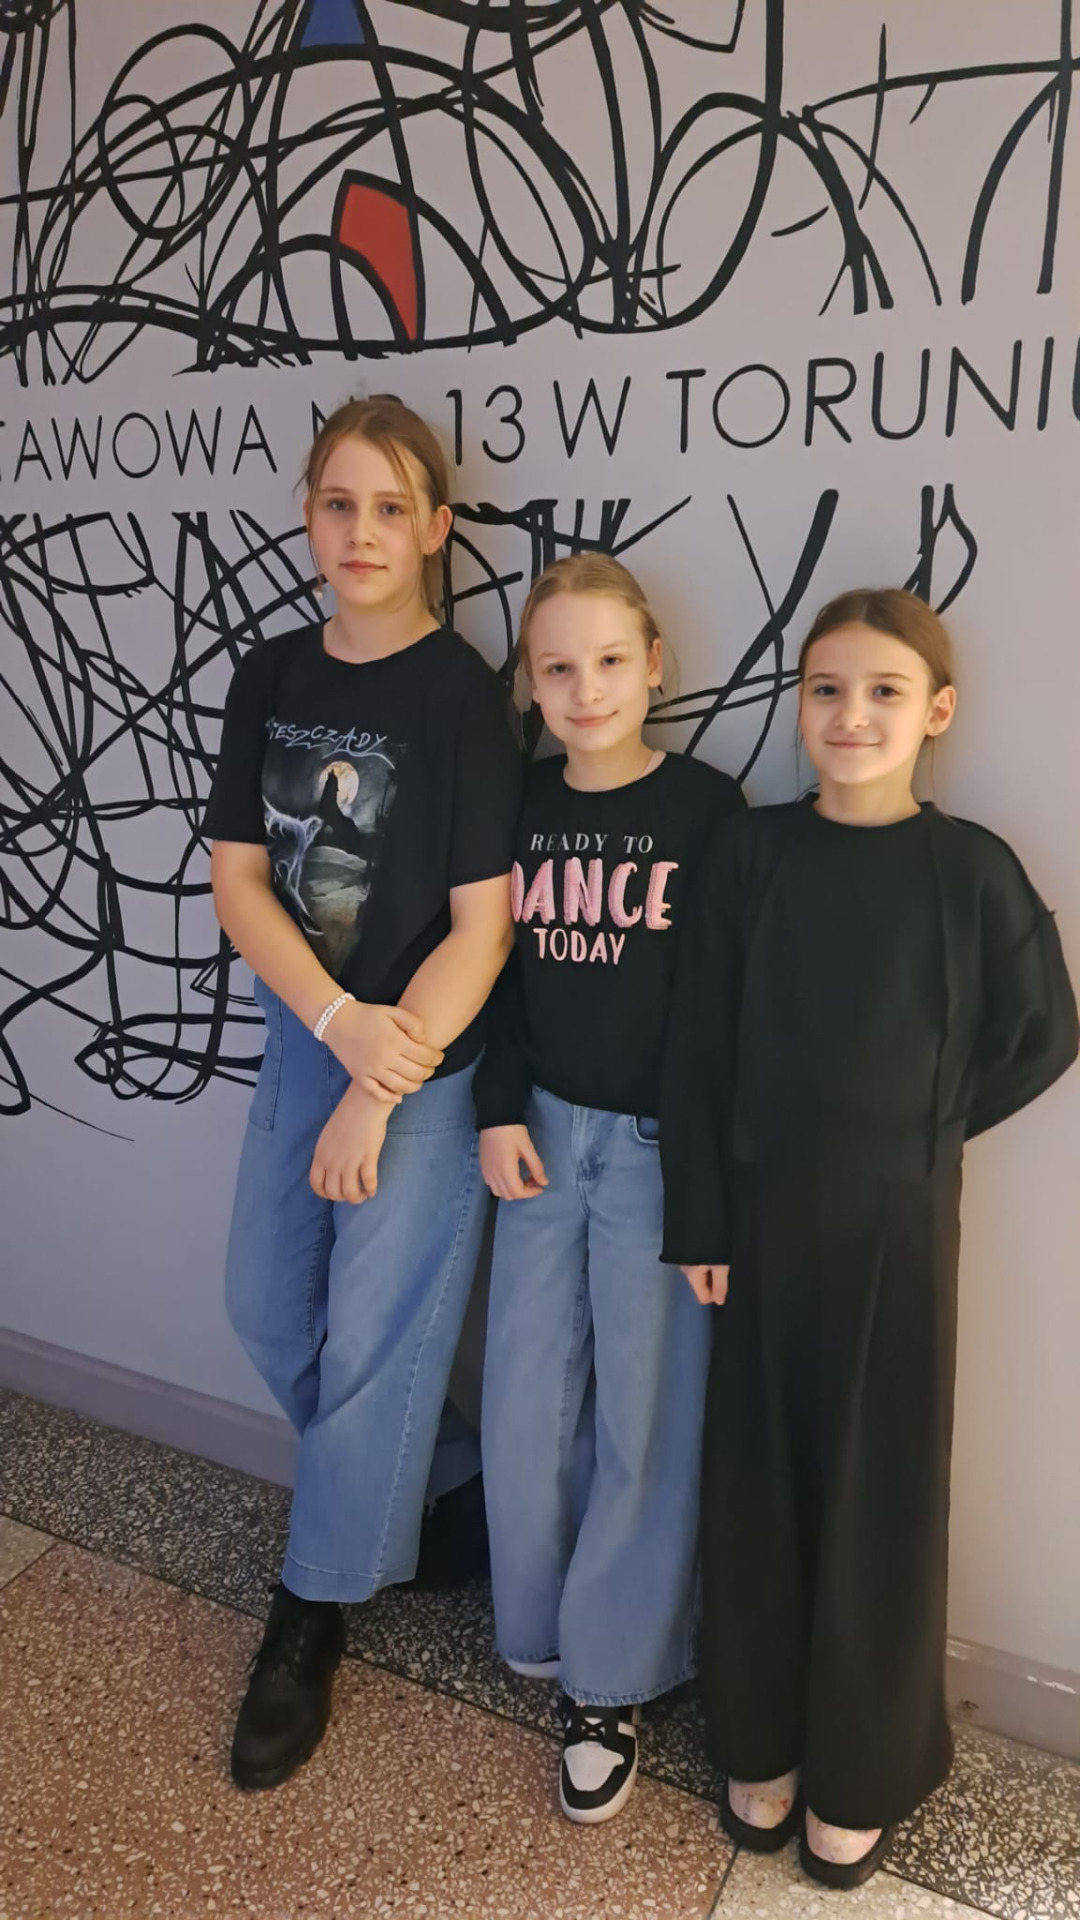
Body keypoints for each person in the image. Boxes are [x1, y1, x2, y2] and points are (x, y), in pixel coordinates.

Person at [660, 588, 1077, 1887]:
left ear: (936, 711)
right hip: (757, 1215)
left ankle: (865, 1763)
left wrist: (927, 1130)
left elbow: (1045, 1032)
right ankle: (760, 1732)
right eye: (827, 689)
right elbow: (698, 1044)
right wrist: (699, 1216)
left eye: (885, 691)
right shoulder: (751, 855)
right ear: (800, 706)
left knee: (882, 1488)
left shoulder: (971, 871)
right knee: (756, 1476)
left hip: (901, 1224)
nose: (852, 714)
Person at [204, 395, 522, 1790]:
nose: (362, 532)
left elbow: (483, 927)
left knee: (376, 1342)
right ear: (307, 515)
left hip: (425, 1065)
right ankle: (436, 1490)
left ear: (436, 528)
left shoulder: (460, 693)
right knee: (268, 1307)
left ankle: (312, 1606)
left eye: (391, 508)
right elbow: (240, 881)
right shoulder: (271, 673)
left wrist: (380, 1082)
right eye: (339, 503)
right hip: (310, 1038)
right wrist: (332, 1027)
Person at [474, 555, 743, 1823]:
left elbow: (717, 1014)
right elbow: (496, 975)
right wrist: (494, 1108)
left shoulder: (706, 809)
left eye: (611, 662)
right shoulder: (520, 804)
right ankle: (536, 1623)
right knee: (527, 1396)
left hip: (653, 1145)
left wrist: (702, 1188)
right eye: (559, 667)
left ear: (654, 667)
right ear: (532, 685)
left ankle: (613, 1675)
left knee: (646, 1409)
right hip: (539, 1129)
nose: (587, 690)